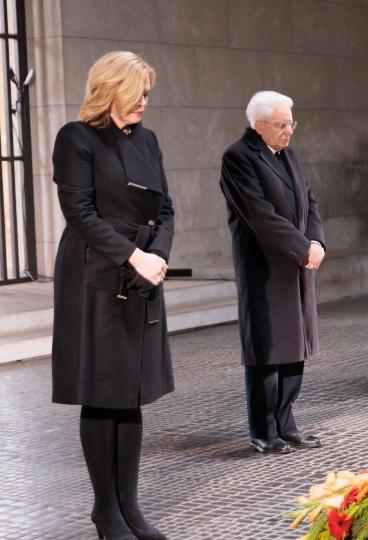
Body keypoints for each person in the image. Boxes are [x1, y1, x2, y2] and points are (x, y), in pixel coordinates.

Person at [51, 51, 172, 540]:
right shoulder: (76, 138)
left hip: (142, 272)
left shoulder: (149, 140)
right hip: (95, 275)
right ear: (111, 87)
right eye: (138, 91)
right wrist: (132, 256)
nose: (145, 101)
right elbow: (79, 211)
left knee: (132, 393)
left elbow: (166, 209)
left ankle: (130, 508)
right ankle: (106, 512)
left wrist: (158, 254)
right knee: (102, 393)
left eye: (147, 93)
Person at [220, 91, 326, 455]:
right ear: (259, 125)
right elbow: (260, 215)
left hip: (297, 264)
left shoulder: (289, 156)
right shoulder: (238, 158)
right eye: (282, 125)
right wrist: (301, 248)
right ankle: (263, 431)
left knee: (294, 346)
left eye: (291, 123)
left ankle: (286, 423)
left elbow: (308, 201)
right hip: (264, 268)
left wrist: (317, 242)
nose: (289, 131)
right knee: (267, 350)